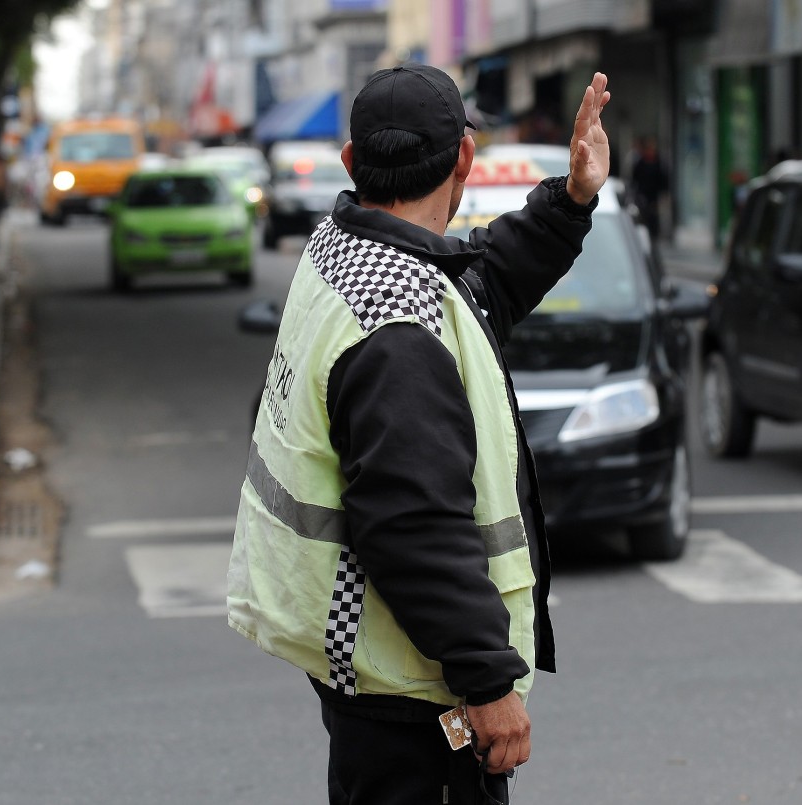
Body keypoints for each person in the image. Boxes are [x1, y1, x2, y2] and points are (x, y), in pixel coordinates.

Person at [227, 65, 611, 804]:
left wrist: (572, 200)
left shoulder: (342, 251)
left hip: (367, 671)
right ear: (463, 159)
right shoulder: (399, 328)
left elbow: (480, 285)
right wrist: (488, 681)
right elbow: (413, 526)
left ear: (350, 163)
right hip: (416, 691)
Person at [629, 136, 668, 240]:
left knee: (653, 218)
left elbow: (663, 180)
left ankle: (654, 235)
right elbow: (635, 179)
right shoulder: (641, 163)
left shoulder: (658, 163)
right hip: (643, 195)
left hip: (654, 197)